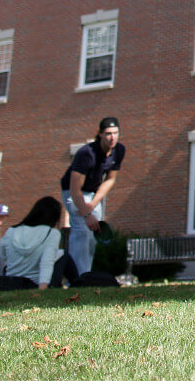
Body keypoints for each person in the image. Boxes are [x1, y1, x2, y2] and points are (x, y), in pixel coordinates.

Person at [60, 117, 125, 275]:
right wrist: (87, 213)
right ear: (100, 134)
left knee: (92, 235)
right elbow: (75, 189)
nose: (112, 137)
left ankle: (85, 275)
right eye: (108, 134)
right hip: (73, 192)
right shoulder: (86, 153)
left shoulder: (119, 150)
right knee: (82, 231)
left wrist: (93, 204)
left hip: (93, 194)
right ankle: (75, 278)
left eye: (115, 133)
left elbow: (110, 179)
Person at [0, 196, 63, 290]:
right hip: (33, 283)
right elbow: (46, 262)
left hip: (10, 282)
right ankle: (77, 283)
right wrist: (43, 288)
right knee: (64, 255)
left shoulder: (12, 231)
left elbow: (2, 255)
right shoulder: (52, 233)